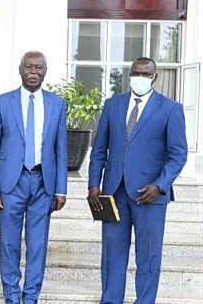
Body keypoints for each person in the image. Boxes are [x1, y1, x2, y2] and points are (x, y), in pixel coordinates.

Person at [88, 57, 187, 304]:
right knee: (112, 255)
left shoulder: (170, 108)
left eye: (145, 73)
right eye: (135, 72)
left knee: (148, 257)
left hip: (150, 195)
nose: (139, 77)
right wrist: (93, 184)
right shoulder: (113, 105)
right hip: (114, 193)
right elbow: (99, 149)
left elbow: (178, 154)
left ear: (155, 77)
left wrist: (161, 184)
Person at [0, 51, 67, 304]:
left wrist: (61, 189)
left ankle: (30, 296)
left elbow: (60, 149)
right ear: (20, 70)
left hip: (43, 181)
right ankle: (11, 294)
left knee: (37, 245)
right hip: (12, 182)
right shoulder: (2, 102)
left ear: (45, 71)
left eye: (39, 67)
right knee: (9, 243)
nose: (34, 71)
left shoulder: (57, 104)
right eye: (29, 67)